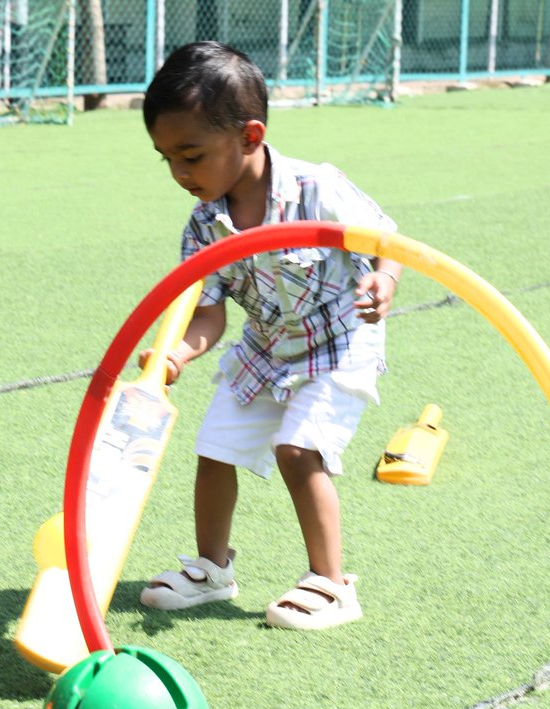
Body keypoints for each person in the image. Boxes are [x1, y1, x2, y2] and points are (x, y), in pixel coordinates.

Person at [138, 41, 402, 630]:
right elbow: (208, 314)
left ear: (250, 136)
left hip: (339, 342)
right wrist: (177, 353)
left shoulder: (317, 188)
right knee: (214, 448)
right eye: (167, 160)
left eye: (192, 155)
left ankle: (333, 585)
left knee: (297, 450)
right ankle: (212, 569)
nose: (181, 173)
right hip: (266, 347)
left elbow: (386, 242)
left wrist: (384, 282)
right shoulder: (205, 223)